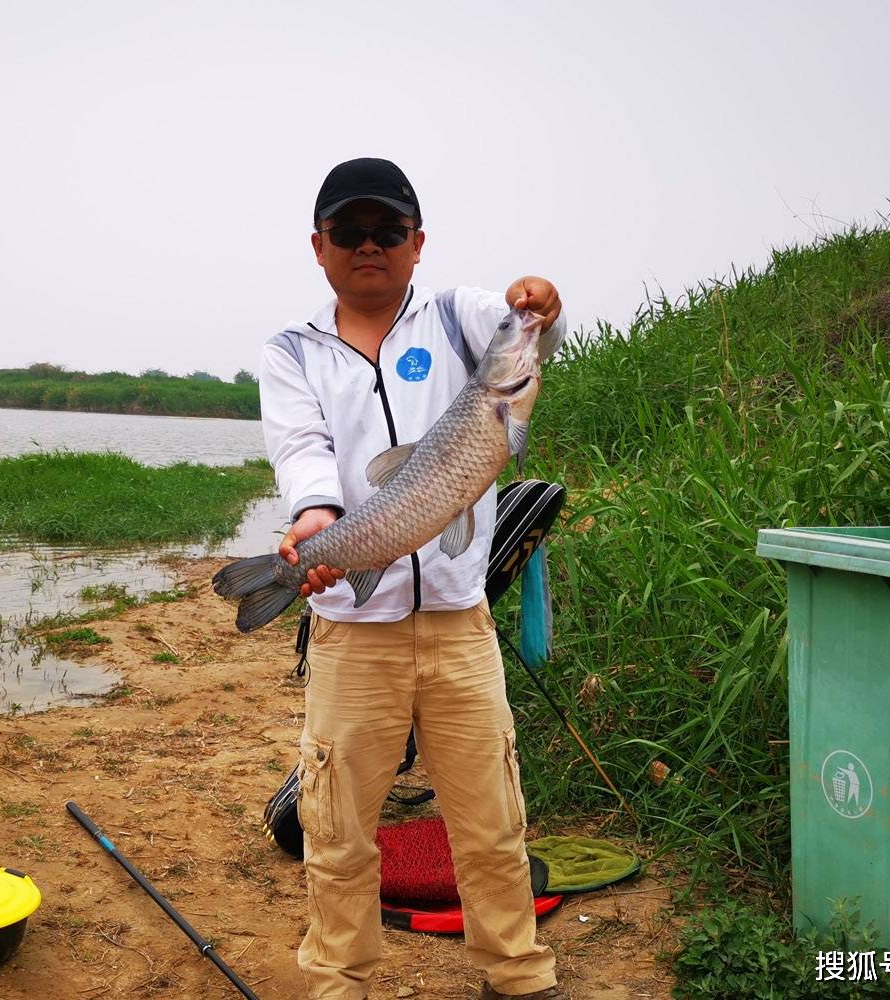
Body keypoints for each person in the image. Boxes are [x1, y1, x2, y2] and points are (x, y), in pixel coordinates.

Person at [258, 157, 569, 1000]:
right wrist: (318, 521)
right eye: (349, 232)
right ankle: (341, 982)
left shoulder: (462, 319)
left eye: (388, 231)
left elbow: (533, 321)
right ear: (318, 246)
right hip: (355, 638)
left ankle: (516, 975)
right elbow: (300, 450)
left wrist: (539, 303)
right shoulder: (292, 350)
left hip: (461, 626)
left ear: (417, 243)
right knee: (338, 828)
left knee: (492, 821)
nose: (370, 246)